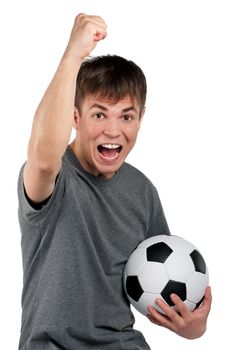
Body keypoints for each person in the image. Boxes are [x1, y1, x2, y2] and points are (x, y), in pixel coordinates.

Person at [17, 13, 212, 350]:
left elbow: (163, 285)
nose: (113, 130)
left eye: (126, 116)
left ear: (141, 118)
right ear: (74, 117)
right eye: (99, 114)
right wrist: (73, 55)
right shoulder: (55, 176)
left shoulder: (142, 191)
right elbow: (43, 158)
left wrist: (193, 327)